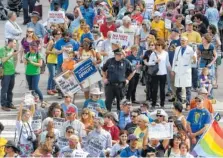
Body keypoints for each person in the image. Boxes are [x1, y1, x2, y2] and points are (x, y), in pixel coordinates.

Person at [102, 47, 134, 111]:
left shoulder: (126, 62)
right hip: (110, 85)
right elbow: (103, 70)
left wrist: (128, 79)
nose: (119, 55)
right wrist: (104, 78)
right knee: (108, 103)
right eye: (118, 54)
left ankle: (120, 118)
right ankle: (108, 117)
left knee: (121, 104)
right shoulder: (110, 61)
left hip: (121, 86)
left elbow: (133, 71)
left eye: (121, 54)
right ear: (114, 54)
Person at [171, 36, 196, 107]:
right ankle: (179, 103)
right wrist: (173, 70)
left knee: (188, 89)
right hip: (178, 71)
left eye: (184, 41)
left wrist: (194, 58)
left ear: (187, 42)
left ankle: (188, 104)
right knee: (178, 88)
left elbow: (194, 60)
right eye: (181, 40)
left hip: (186, 71)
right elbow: (174, 60)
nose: (182, 42)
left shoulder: (190, 49)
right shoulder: (178, 49)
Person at [148, 38, 171, 108]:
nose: (159, 46)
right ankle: (154, 103)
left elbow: (167, 63)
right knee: (154, 89)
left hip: (163, 74)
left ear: (163, 46)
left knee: (162, 89)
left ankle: (162, 103)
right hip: (155, 74)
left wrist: (171, 71)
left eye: (160, 45)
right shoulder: (153, 53)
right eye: (157, 45)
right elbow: (149, 63)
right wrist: (155, 62)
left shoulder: (166, 53)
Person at [24, 41, 44, 106]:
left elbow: (40, 64)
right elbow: (25, 63)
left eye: (30, 47)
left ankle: (42, 99)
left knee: (35, 87)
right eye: (29, 46)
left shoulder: (38, 54)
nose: (29, 48)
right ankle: (32, 100)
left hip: (36, 73)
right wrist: (25, 60)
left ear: (34, 47)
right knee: (30, 88)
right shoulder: (28, 54)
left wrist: (32, 62)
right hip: (28, 73)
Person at [0, 39, 18, 111]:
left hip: (12, 72)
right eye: (14, 43)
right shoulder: (2, 49)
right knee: (4, 90)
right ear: (10, 43)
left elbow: (13, 60)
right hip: (6, 73)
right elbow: (3, 60)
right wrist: (11, 55)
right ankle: (3, 105)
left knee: (10, 89)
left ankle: (9, 103)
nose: (15, 44)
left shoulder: (12, 50)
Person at [46, 29, 61, 95]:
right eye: (58, 34)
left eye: (60, 34)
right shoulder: (52, 42)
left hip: (56, 60)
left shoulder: (59, 41)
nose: (59, 35)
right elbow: (46, 51)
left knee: (55, 75)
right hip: (51, 60)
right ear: (54, 35)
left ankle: (53, 88)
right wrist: (54, 52)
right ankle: (49, 89)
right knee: (52, 75)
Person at [167, 28, 181, 102]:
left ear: (175, 33)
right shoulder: (171, 41)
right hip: (170, 63)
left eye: (172, 32)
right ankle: (174, 95)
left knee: (177, 81)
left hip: (177, 65)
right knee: (171, 81)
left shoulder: (179, 41)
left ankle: (179, 96)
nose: (171, 34)